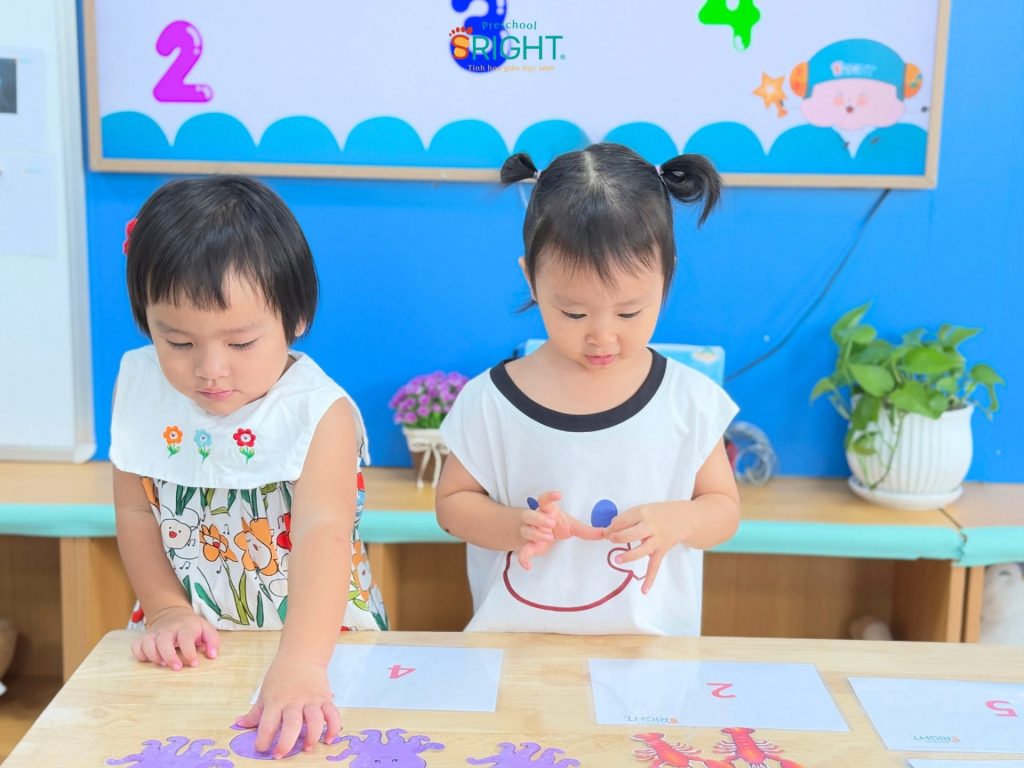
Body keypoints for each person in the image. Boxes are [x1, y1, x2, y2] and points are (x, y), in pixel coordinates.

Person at [111, 176, 387, 757]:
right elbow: (136, 512)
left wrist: (303, 663)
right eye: (178, 343)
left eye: (240, 344)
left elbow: (323, 533)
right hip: (187, 642)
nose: (210, 369)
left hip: (315, 648)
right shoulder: (140, 387)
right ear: (146, 320)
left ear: (295, 316)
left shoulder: (319, 412)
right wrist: (164, 609)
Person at [436, 143, 740, 635]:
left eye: (629, 312)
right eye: (574, 313)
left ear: (668, 273)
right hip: (515, 651)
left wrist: (679, 521)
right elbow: (452, 506)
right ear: (531, 279)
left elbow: (723, 510)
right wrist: (515, 526)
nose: (602, 335)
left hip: (651, 656)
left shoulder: (689, 400)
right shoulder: (490, 400)